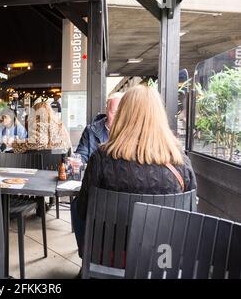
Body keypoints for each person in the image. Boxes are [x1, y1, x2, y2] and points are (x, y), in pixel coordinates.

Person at [71, 85, 197, 256]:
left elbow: (84, 209)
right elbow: (190, 218)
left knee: (75, 204)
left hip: (110, 257)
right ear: (160, 117)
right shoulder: (181, 163)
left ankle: (86, 259)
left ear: (123, 115)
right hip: (164, 259)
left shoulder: (102, 159)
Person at [75, 92, 124, 164]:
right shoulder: (90, 130)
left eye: (122, 113)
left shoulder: (132, 132)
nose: (118, 117)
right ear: (106, 110)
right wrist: (76, 161)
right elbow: (82, 155)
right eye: (114, 112)